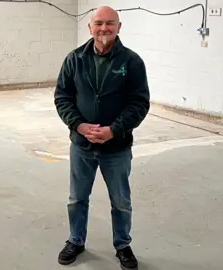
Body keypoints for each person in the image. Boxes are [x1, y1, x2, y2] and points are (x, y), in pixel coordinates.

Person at [53, 5, 150, 270]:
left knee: (121, 201)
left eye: (110, 23)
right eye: (98, 23)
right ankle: (76, 240)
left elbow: (139, 103)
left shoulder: (131, 62)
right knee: (77, 198)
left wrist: (113, 130)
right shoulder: (75, 59)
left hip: (116, 147)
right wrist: (80, 126)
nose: (104, 28)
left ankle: (122, 244)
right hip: (82, 145)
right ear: (90, 28)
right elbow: (62, 97)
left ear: (119, 27)